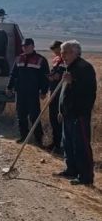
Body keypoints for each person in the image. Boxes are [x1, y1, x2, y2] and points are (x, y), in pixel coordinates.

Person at [55, 40, 96, 186]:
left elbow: (88, 91)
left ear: (75, 52)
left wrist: (73, 81)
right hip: (68, 114)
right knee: (68, 144)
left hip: (80, 114)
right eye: (61, 52)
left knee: (81, 145)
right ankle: (71, 169)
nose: (62, 55)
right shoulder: (69, 68)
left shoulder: (84, 68)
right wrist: (61, 110)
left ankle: (85, 177)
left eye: (65, 52)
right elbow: (65, 94)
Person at [6, 38, 50, 146]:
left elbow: (45, 78)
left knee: (34, 116)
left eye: (27, 46)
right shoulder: (19, 58)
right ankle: (23, 137)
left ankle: (38, 139)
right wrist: (9, 87)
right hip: (20, 92)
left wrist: (44, 91)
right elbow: (13, 75)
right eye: (23, 46)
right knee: (21, 115)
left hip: (33, 93)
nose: (24, 48)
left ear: (33, 46)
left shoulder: (40, 60)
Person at [45, 40, 64, 153]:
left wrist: (57, 76)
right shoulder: (56, 60)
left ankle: (60, 144)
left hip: (61, 93)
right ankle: (55, 142)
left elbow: (61, 75)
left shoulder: (66, 60)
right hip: (53, 91)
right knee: (53, 117)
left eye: (56, 50)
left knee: (59, 118)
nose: (55, 53)